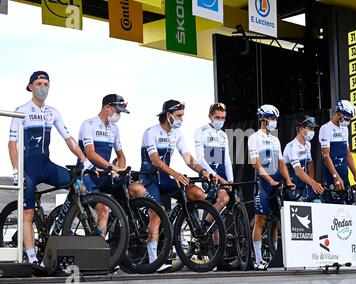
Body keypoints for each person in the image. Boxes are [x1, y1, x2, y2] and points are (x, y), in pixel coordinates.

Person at [8, 71, 92, 267]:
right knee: (28, 214)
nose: (42, 87)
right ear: (30, 87)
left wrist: (83, 158)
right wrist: (15, 170)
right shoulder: (22, 110)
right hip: (28, 168)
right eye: (38, 83)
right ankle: (31, 257)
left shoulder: (53, 112)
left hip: (46, 165)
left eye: (46, 84)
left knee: (78, 187)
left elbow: (68, 139)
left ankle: (59, 226)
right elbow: (12, 144)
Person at [139, 99, 213, 266]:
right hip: (149, 179)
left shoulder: (177, 134)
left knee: (196, 194)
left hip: (165, 179)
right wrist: (176, 174)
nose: (181, 119)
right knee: (157, 213)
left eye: (182, 116)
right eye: (179, 116)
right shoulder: (150, 132)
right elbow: (155, 161)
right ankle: (153, 261)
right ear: (168, 115)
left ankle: (185, 229)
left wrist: (202, 171)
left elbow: (187, 158)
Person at [78, 94, 146, 236]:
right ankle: (98, 250)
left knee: (136, 190)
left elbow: (121, 156)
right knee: (103, 208)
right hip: (88, 175)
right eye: (118, 111)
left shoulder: (114, 129)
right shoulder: (88, 124)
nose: (119, 114)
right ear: (107, 108)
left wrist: (119, 170)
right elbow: (90, 153)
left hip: (105, 174)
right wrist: (112, 167)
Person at [248, 104, 295, 270]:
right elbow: (255, 163)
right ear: (263, 119)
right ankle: (258, 259)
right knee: (261, 220)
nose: (274, 122)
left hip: (276, 181)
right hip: (262, 182)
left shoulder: (275, 140)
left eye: (276, 119)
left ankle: (275, 256)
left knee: (276, 221)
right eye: (272, 118)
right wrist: (269, 180)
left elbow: (281, 163)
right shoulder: (254, 137)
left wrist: (288, 180)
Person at [319, 100, 356, 203]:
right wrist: (335, 177)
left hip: (344, 176)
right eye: (347, 119)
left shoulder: (344, 129)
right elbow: (326, 156)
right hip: (331, 177)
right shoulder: (325, 128)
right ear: (338, 114)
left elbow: (347, 153)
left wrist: (355, 174)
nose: (349, 121)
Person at [194, 102, 233, 217]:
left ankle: (218, 234)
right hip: (209, 176)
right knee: (224, 199)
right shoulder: (201, 131)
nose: (220, 120)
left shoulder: (223, 135)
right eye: (217, 117)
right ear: (210, 117)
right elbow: (200, 159)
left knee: (226, 205)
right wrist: (219, 178)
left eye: (223, 118)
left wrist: (231, 180)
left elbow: (227, 160)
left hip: (222, 177)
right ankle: (206, 226)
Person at [283, 115, 324, 201]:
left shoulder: (308, 144)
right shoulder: (291, 146)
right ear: (301, 129)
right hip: (291, 188)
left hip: (303, 185)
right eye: (310, 128)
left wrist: (310, 182)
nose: (313, 131)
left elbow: (310, 163)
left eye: (313, 129)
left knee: (319, 200)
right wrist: (313, 183)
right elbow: (298, 171)